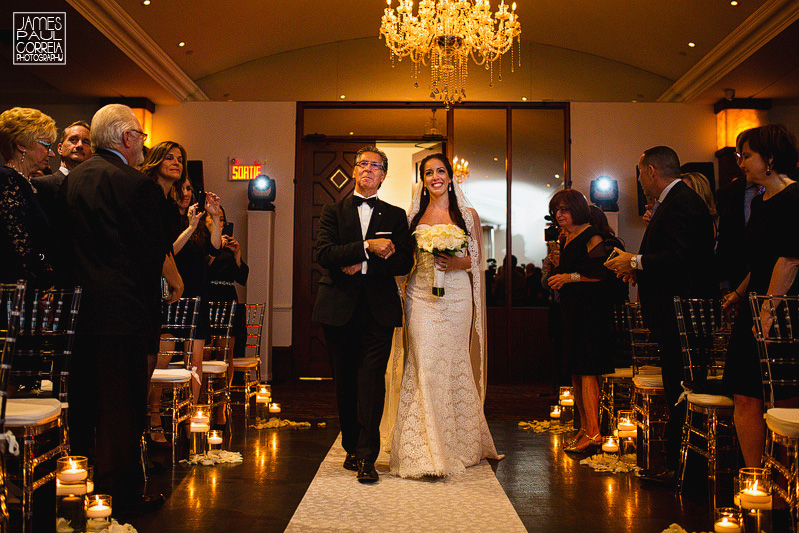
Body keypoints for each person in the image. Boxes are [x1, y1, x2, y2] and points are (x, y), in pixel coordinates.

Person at [64, 104, 182, 513]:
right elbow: (151, 252)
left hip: (79, 312)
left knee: (83, 402)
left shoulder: (69, 180)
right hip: (124, 310)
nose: (142, 146)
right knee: (122, 406)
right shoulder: (135, 185)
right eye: (141, 138)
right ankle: (121, 496)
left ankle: (77, 486)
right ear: (127, 138)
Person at [385, 153, 501, 478]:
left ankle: (461, 445)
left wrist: (452, 261)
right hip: (421, 295)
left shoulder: (468, 215)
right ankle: (426, 450)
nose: (435, 177)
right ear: (423, 180)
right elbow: (404, 262)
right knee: (425, 362)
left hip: (457, 297)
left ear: (451, 176)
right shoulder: (414, 216)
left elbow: (476, 261)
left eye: (440, 171)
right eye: (428, 173)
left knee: (453, 362)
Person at [605, 146, 717, 484]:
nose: (639, 181)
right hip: (674, 313)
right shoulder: (674, 202)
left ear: (652, 171)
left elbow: (681, 258)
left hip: (682, 315)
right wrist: (638, 270)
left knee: (681, 387)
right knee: (675, 385)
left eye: (640, 173)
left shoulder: (681, 203)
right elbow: (672, 258)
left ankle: (683, 469)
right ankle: (678, 465)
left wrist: (635, 261)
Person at [312, 146, 414, 483]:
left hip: (379, 309)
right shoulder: (332, 210)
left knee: (371, 381)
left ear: (384, 175)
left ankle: (367, 456)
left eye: (375, 165)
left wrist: (363, 262)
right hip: (338, 308)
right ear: (355, 171)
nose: (368, 169)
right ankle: (352, 446)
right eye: (363, 164)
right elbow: (325, 253)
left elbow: (403, 262)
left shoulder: (396, 215)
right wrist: (368, 247)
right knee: (344, 382)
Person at [720, 124, 799, 468]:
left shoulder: (794, 197)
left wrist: (768, 310)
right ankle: (756, 476)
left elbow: (790, 258)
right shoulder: (761, 200)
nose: (740, 162)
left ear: (769, 158)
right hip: (756, 304)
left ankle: (784, 481)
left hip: (783, 308)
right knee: (744, 393)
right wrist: (738, 294)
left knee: (783, 396)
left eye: (746, 155)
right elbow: (762, 259)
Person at [547, 190, 614, 453]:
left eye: (564, 210)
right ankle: (584, 428)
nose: (559, 215)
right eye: (556, 211)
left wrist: (569, 278)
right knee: (574, 370)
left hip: (590, 312)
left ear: (577, 209)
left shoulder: (592, 235)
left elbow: (601, 274)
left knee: (587, 371)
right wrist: (557, 266)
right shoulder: (566, 237)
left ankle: (595, 433)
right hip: (571, 310)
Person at [171, 176, 222, 404]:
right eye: (181, 189)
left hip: (198, 295)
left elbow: (215, 248)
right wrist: (190, 227)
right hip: (172, 294)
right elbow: (168, 251)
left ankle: (193, 411)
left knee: (194, 361)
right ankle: (154, 416)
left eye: (189, 189)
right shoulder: (168, 218)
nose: (186, 193)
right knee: (162, 359)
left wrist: (215, 216)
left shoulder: (199, 222)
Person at [0, 107, 57, 287]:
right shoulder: (8, 180)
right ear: (21, 145)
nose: (51, 153)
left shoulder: (23, 183)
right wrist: (47, 279)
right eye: (46, 145)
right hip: (13, 292)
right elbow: (20, 246)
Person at [31, 120, 92, 222]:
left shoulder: (96, 188)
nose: (79, 145)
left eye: (86, 142)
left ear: (92, 151)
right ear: (59, 148)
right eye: (73, 140)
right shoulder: (42, 185)